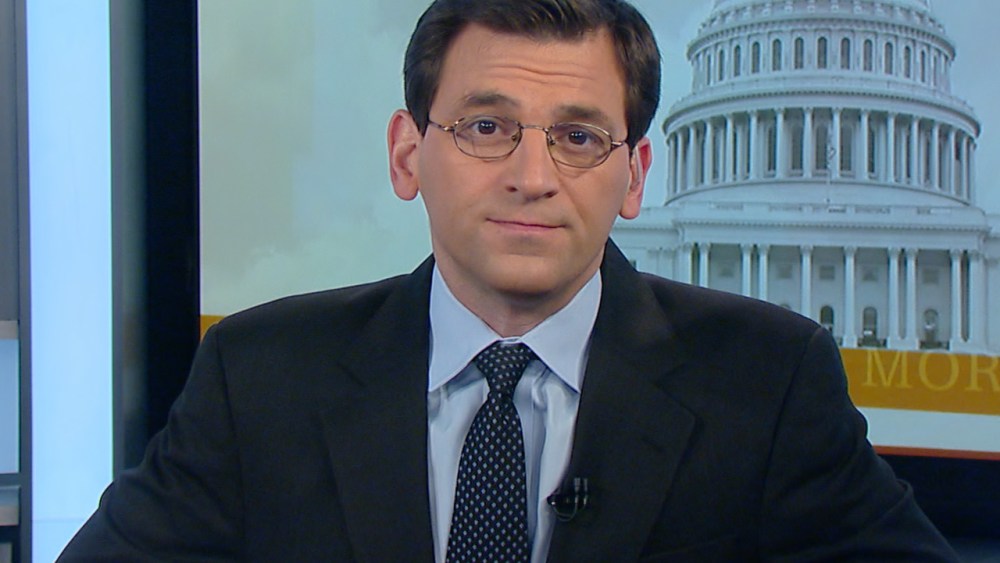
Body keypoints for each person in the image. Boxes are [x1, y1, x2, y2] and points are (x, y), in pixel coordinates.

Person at [60, 0, 959, 561]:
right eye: (487, 127)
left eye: (578, 137)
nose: (533, 177)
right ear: (408, 154)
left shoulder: (770, 382)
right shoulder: (258, 374)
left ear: (635, 176)